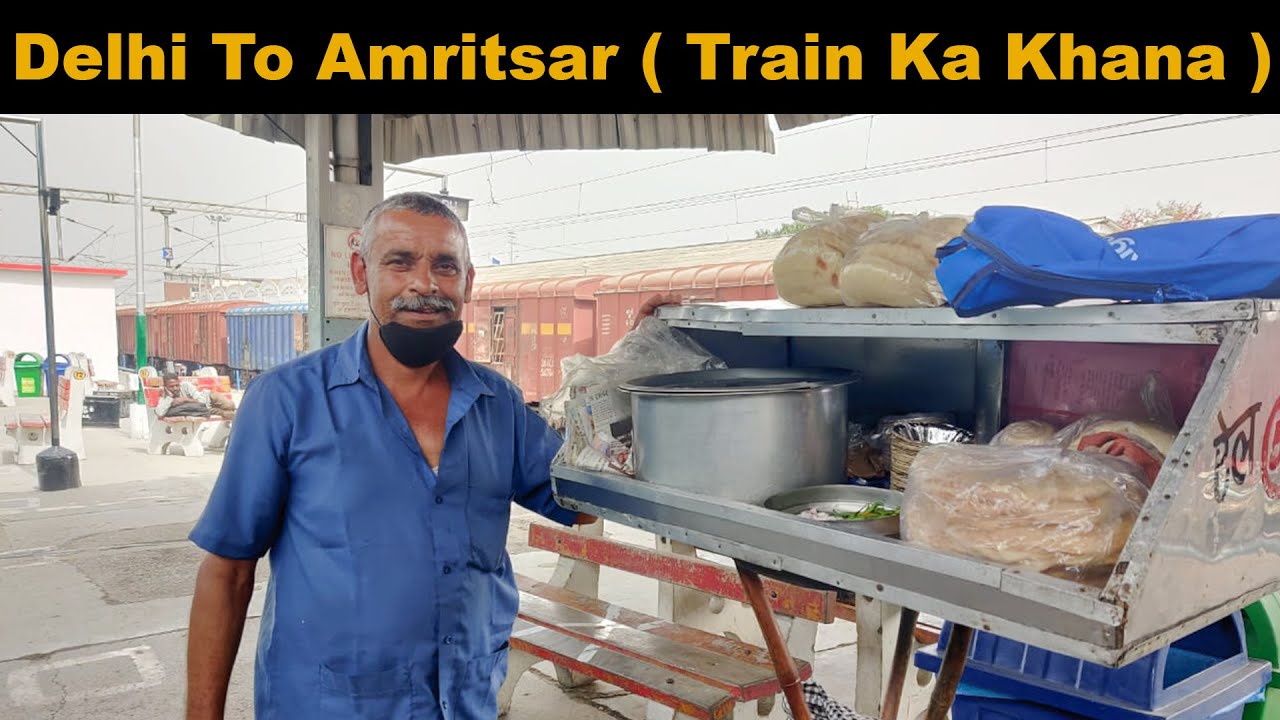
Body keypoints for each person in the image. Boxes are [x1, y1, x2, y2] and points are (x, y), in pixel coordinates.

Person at [183, 191, 678, 720]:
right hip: (329, 705)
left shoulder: (497, 405)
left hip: (464, 702)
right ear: (361, 274)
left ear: (468, 282)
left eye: (445, 266)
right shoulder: (288, 400)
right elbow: (227, 573)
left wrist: (635, 370)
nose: (425, 284)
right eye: (400, 262)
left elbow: (583, 502)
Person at [157, 372, 236, 421]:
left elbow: (201, 400)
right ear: (165, 387)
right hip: (206, 409)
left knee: (230, 405)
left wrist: (184, 400)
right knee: (229, 415)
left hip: (209, 397)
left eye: (177, 385)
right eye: (171, 387)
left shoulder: (185, 386)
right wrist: (169, 398)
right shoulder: (165, 397)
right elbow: (159, 413)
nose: (175, 388)